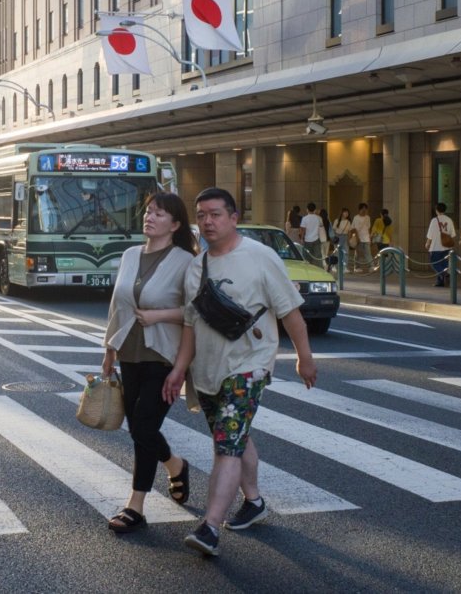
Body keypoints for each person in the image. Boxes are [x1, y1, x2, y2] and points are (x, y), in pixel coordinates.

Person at [162, 187, 317, 559]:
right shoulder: (196, 266)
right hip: (207, 369)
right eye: (201, 215)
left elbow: (290, 312)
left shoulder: (260, 257)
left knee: (226, 444)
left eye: (215, 214)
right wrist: (179, 369)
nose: (207, 222)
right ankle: (254, 501)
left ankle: (210, 527)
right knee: (233, 435)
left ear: (234, 218)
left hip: (249, 365)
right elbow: (189, 325)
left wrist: (304, 358)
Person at [99, 192, 197, 534]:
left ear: (176, 224)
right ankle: (175, 465)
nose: (150, 217)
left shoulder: (186, 261)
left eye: (159, 213)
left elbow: (196, 311)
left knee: (142, 426)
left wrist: (160, 315)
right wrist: (109, 349)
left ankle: (135, 506)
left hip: (164, 356)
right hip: (129, 352)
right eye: (149, 211)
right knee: (140, 428)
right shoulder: (130, 255)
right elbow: (118, 306)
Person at [425, 203, 456, 287]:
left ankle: (444, 274)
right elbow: (453, 234)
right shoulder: (449, 220)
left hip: (435, 246)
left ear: (436, 210)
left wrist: (427, 243)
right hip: (446, 246)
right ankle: (440, 281)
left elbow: (430, 234)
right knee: (444, 263)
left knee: (435, 263)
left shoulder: (434, 220)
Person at [353, 203, 374, 272]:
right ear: (359, 210)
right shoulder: (356, 218)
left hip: (366, 238)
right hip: (359, 238)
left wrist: (369, 238)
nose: (364, 211)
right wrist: (357, 237)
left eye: (365, 209)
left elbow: (368, 228)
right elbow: (355, 229)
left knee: (368, 253)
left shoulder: (368, 217)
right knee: (358, 254)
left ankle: (371, 266)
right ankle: (357, 267)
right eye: (363, 209)